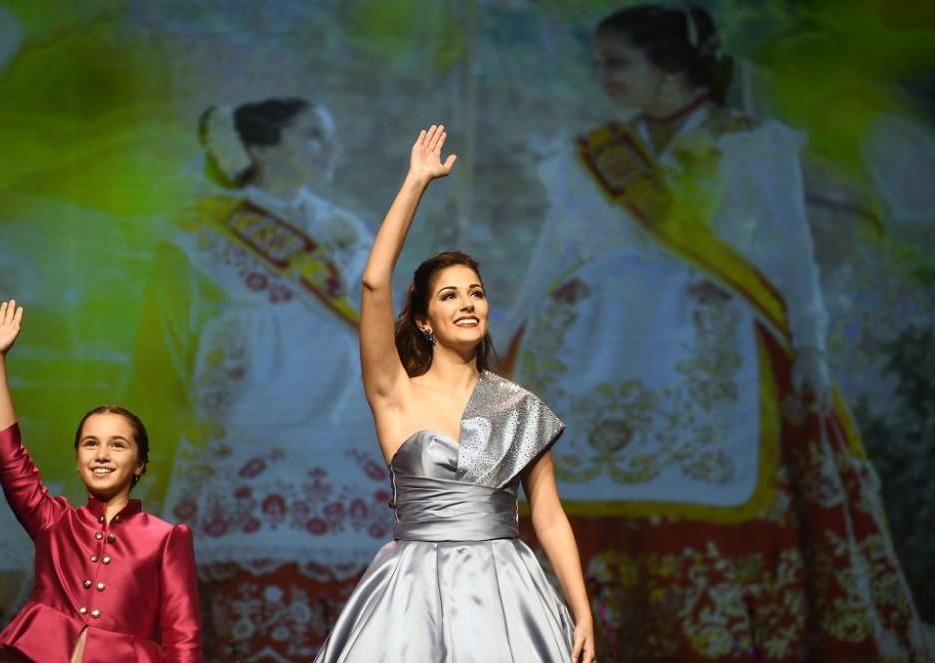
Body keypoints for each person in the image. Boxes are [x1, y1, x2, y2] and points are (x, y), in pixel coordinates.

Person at [506, 5, 928, 661]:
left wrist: (810, 345)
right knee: (577, 487)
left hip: (715, 339)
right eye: (600, 65)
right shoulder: (591, 155)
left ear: (670, 63)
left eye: (617, 62)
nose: (605, 78)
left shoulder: (754, 142)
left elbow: (794, 256)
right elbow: (551, 255)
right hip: (595, 342)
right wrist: (499, 336)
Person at [313, 125, 595, 662]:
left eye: (477, 293)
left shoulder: (517, 406)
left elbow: (550, 515)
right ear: (424, 319)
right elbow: (375, 283)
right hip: (411, 592)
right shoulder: (395, 391)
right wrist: (416, 182)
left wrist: (580, 609)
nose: (468, 304)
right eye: (449, 295)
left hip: (507, 592)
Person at [131, 98, 387, 658]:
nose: (330, 150)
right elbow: (165, 333)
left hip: (343, 407)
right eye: (313, 136)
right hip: (252, 398)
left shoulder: (342, 226)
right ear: (263, 147)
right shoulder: (205, 228)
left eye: (330, 137)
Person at [0, 300, 202, 662]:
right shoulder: (54, 522)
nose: (101, 455)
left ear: (140, 465)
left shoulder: (166, 538)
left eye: (117, 445)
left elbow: (184, 639)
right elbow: (9, 456)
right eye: (90, 443)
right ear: (78, 461)